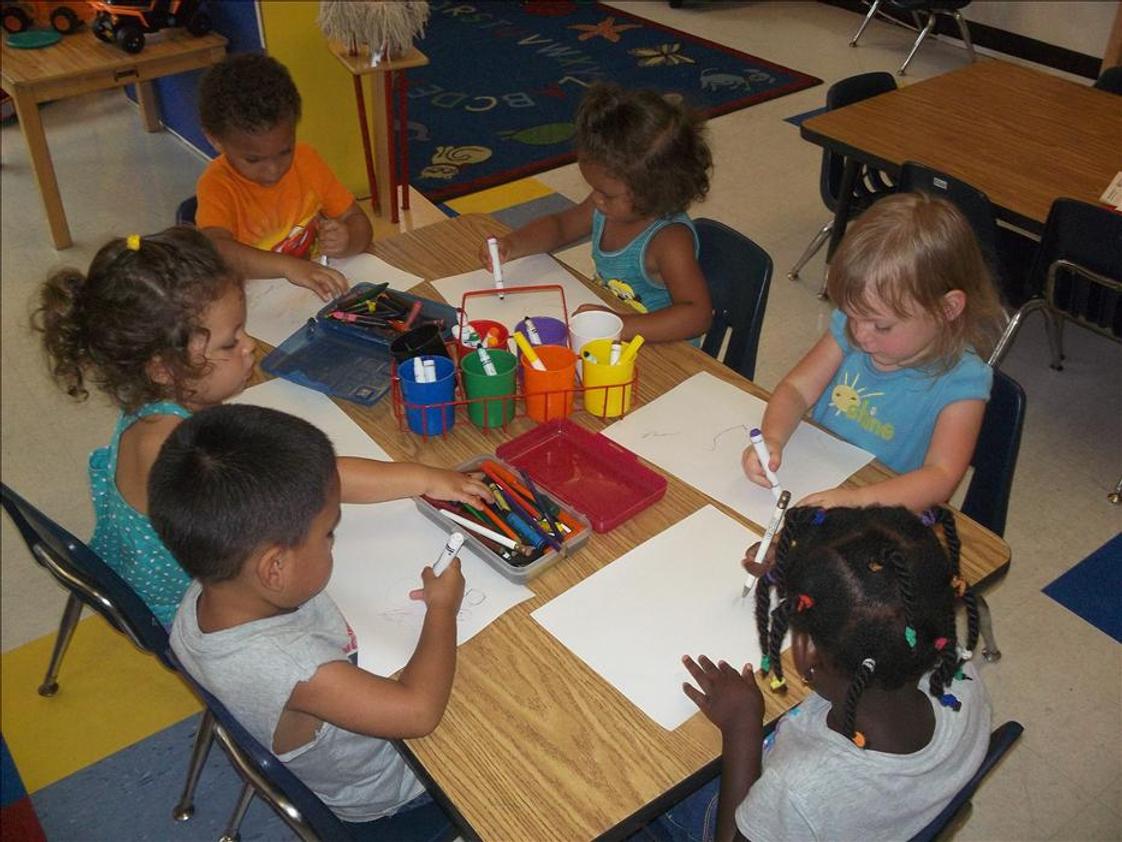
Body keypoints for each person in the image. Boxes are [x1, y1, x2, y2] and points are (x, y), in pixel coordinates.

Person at [35, 227, 489, 626]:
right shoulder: (186, 449)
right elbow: (318, 478)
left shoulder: (150, 412)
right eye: (231, 341)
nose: (250, 346)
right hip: (183, 610)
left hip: (128, 570)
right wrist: (427, 477)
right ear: (163, 368)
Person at [155, 404, 459, 835]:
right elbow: (418, 713)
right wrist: (443, 609)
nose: (333, 540)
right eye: (328, 533)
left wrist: (425, 478)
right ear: (275, 569)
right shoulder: (294, 665)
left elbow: (325, 482)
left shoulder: (210, 587)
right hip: (396, 797)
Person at [675, 505, 990, 842]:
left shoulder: (798, 789)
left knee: (668, 789)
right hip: (892, 813)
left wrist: (742, 727)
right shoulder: (958, 671)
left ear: (809, 653)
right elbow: (882, 595)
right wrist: (812, 574)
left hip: (791, 817)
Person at [743, 192, 1006, 512]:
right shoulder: (854, 329)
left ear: (947, 308)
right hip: (819, 474)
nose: (860, 334)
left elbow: (941, 477)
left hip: (884, 511)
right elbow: (797, 390)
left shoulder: (962, 381)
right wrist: (772, 437)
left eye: (881, 326)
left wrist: (857, 501)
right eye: (852, 315)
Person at [479, 83, 713, 343]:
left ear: (654, 191)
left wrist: (620, 325)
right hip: (608, 330)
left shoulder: (669, 240)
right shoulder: (608, 205)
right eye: (594, 188)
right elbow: (561, 226)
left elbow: (697, 316)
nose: (597, 200)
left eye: (607, 194)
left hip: (659, 347)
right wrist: (512, 245)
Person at [196, 53, 371, 301]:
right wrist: (289, 267)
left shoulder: (307, 160)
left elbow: (358, 221)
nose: (273, 170)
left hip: (311, 299)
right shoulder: (217, 184)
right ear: (214, 139)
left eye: (284, 151)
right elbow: (217, 250)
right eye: (253, 160)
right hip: (254, 307)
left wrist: (349, 239)